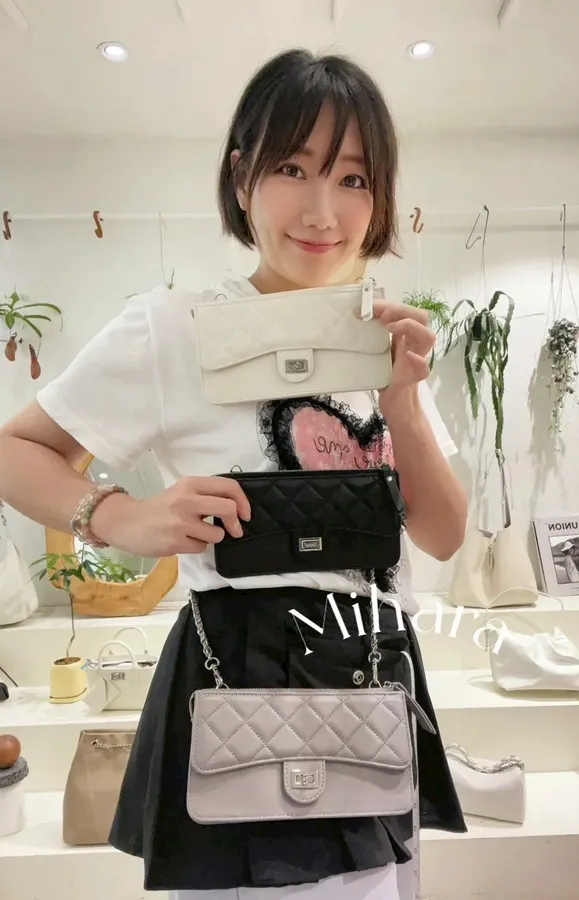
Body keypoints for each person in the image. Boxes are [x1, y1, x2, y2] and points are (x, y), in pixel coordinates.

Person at [0, 49, 467, 899]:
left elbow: (441, 533)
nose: (323, 210)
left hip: (371, 681)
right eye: (293, 168)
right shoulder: (173, 327)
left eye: (354, 179)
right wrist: (122, 517)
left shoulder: (385, 339)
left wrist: (401, 400)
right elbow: (15, 451)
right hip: (242, 684)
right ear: (242, 175)